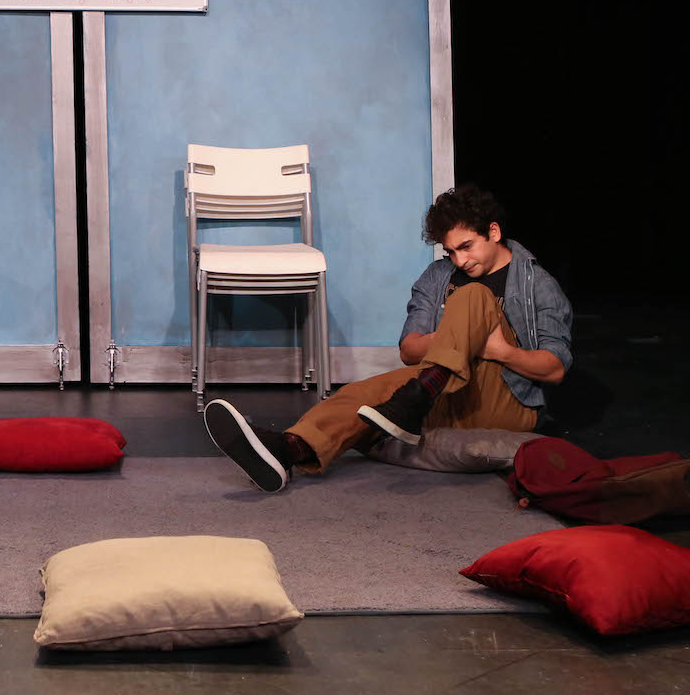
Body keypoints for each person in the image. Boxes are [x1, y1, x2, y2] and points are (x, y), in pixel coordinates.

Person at [203, 184, 572, 492]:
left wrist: (500, 350)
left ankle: (418, 396)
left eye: (467, 246)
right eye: (450, 251)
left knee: (474, 296)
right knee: (362, 393)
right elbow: (410, 350)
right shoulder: (437, 277)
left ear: (493, 232)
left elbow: (555, 369)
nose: (459, 261)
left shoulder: (535, 283)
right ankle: (286, 450)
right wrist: (456, 335)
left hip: (506, 400)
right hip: (441, 393)